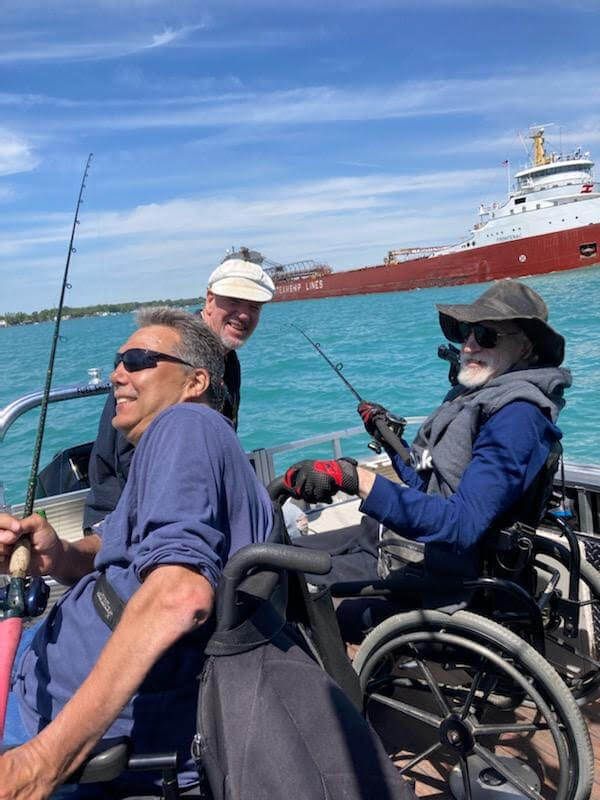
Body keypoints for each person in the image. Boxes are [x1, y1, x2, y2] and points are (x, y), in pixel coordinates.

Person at [0, 308, 273, 797]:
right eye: (117, 359)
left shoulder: (186, 426)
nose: (116, 373)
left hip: (52, 719)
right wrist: (58, 555)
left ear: (195, 382)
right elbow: (122, 545)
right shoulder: (175, 444)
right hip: (40, 667)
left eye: (139, 359)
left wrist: (40, 764)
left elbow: (179, 595)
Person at [283, 279, 571, 608]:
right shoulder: (478, 398)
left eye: (486, 336)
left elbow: (461, 524)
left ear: (525, 349)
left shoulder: (517, 418)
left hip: (440, 574)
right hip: (395, 540)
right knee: (281, 553)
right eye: (467, 331)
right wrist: (389, 440)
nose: (468, 346)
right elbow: (427, 484)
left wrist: (357, 479)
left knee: (289, 587)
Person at [83, 257, 275, 530]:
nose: (243, 315)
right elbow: (133, 457)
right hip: (128, 511)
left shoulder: (228, 359)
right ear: (209, 300)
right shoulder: (170, 353)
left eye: (254, 307)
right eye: (233, 301)